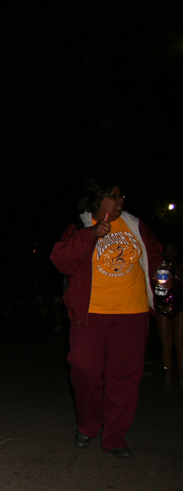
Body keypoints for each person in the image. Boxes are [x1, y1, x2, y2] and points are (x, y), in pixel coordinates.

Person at [50, 178, 163, 459]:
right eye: (113, 196)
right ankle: (88, 425)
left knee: (123, 377)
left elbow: (156, 256)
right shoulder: (80, 226)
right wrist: (91, 235)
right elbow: (61, 260)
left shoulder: (135, 225)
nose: (120, 200)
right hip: (91, 314)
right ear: (97, 199)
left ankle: (115, 437)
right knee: (83, 368)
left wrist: (165, 280)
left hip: (132, 313)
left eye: (121, 196)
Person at [155, 243, 183, 389]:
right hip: (163, 307)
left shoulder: (180, 267)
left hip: (180, 307)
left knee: (180, 343)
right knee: (167, 344)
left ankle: (181, 376)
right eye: (168, 250)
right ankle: (168, 377)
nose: (170, 253)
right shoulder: (159, 267)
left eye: (173, 250)